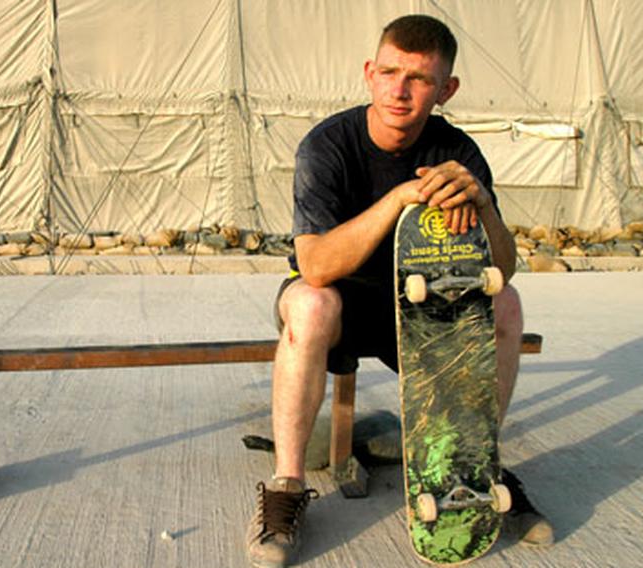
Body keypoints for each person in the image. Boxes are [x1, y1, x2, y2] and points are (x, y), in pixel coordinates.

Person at [245, 14, 554, 568]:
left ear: (446, 90)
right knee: (311, 305)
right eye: (389, 72)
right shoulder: (328, 146)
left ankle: (474, 466)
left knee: (505, 303)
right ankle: (287, 486)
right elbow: (313, 265)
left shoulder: (456, 150)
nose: (400, 90)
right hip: (341, 305)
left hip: (419, 308)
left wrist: (481, 203)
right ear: (369, 72)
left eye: (419, 78)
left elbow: (502, 269)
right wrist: (397, 201)